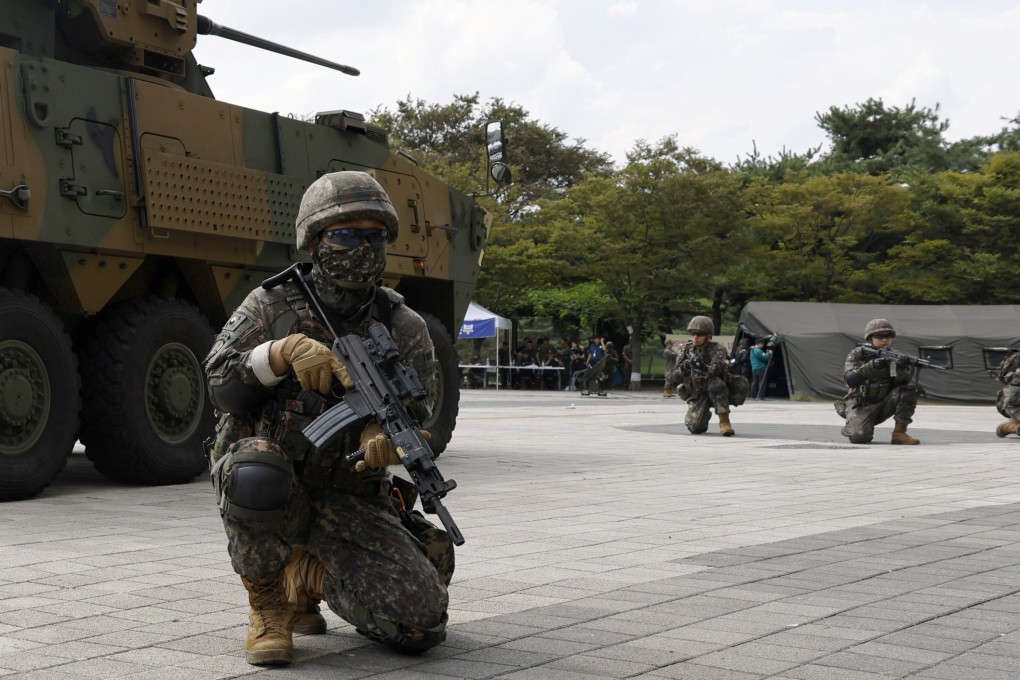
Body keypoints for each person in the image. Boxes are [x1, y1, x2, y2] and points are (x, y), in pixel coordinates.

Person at [203, 171, 454, 666]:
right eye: (344, 235)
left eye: (374, 236)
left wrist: (385, 434)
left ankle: (304, 576)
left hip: (351, 494)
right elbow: (218, 385)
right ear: (314, 242)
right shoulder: (272, 305)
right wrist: (277, 353)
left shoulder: (403, 325)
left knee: (422, 623)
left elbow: (417, 418)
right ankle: (270, 607)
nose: (361, 248)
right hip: (276, 482)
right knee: (255, 469)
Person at [835, 318, 920, 445]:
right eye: (880, 336)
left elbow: (901, 384)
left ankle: (899, 433)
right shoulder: (858, 353)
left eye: (889, 336)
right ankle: (851, 425)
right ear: (870, 338)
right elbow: (850, 379)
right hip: (861, 405)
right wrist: (871, 366)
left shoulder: (894, 356)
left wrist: (901, 367)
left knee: (908, 392)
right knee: (860, 437)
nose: (885, 340)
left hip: (883, 403)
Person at [670, 316, 747, 435]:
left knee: (717, 385)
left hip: (714, 387)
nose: (695, 337)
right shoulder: (685, 350)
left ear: (708, 335)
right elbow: (674, 377)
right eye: (693, 334)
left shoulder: (718, 349)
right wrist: (684, 367)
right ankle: (704, 413)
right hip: (697, 392)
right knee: (695, 428)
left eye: (699, 334)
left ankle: (724, 422)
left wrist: (703, 367)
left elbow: (719, 368)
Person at [993, 349, 1020, 438]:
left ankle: (1015, 423)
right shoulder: (1016, 358)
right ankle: (1011, 426)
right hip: (1012, 405)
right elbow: (1013, 399)